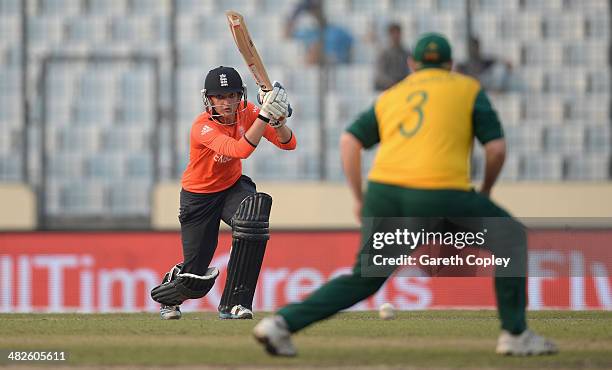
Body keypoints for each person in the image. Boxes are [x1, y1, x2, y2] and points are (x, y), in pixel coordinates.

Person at [253, 33, 557, 356]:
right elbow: (496, 149)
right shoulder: (467, 89)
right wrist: (485, 191)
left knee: (364, 279)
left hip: (385, 194)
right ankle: (515, 334)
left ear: (412, 64)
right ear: (451, 64)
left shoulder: (392, 95)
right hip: (441, 192)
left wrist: (359, 197)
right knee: (510, 237)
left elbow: (349, 142)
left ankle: (281, 323)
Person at [150, 66, 297, 320]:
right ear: (209, 99)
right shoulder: (202, 127)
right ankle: (169, 298)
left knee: (253, 218)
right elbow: (240, 150)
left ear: (241, 95)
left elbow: (288, 143)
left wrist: (278, 121)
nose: (226, 103)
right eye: (220, 97)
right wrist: (264, 115)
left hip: (231, 187)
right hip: (198, 198)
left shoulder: (248, 112)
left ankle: (235, 304)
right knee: (196, 277)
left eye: (232, 96)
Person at [285, 0, 354, 65]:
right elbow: (287, 35)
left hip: (335, 68)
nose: (314, 13)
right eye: (311, 10)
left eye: (317, 9)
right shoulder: (308, 33)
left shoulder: (338, 32)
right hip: (313, 69)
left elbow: (351, 51)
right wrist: (297, 12)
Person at [374, 22, 410, 91]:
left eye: (398, 33)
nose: (396, 36)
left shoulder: (406, 53)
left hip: (404, 87)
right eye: (393, 33)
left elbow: (410, 71)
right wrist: (393, 83)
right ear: (389, 35)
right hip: (388, 88)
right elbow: (381, 74)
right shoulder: (384, 53)